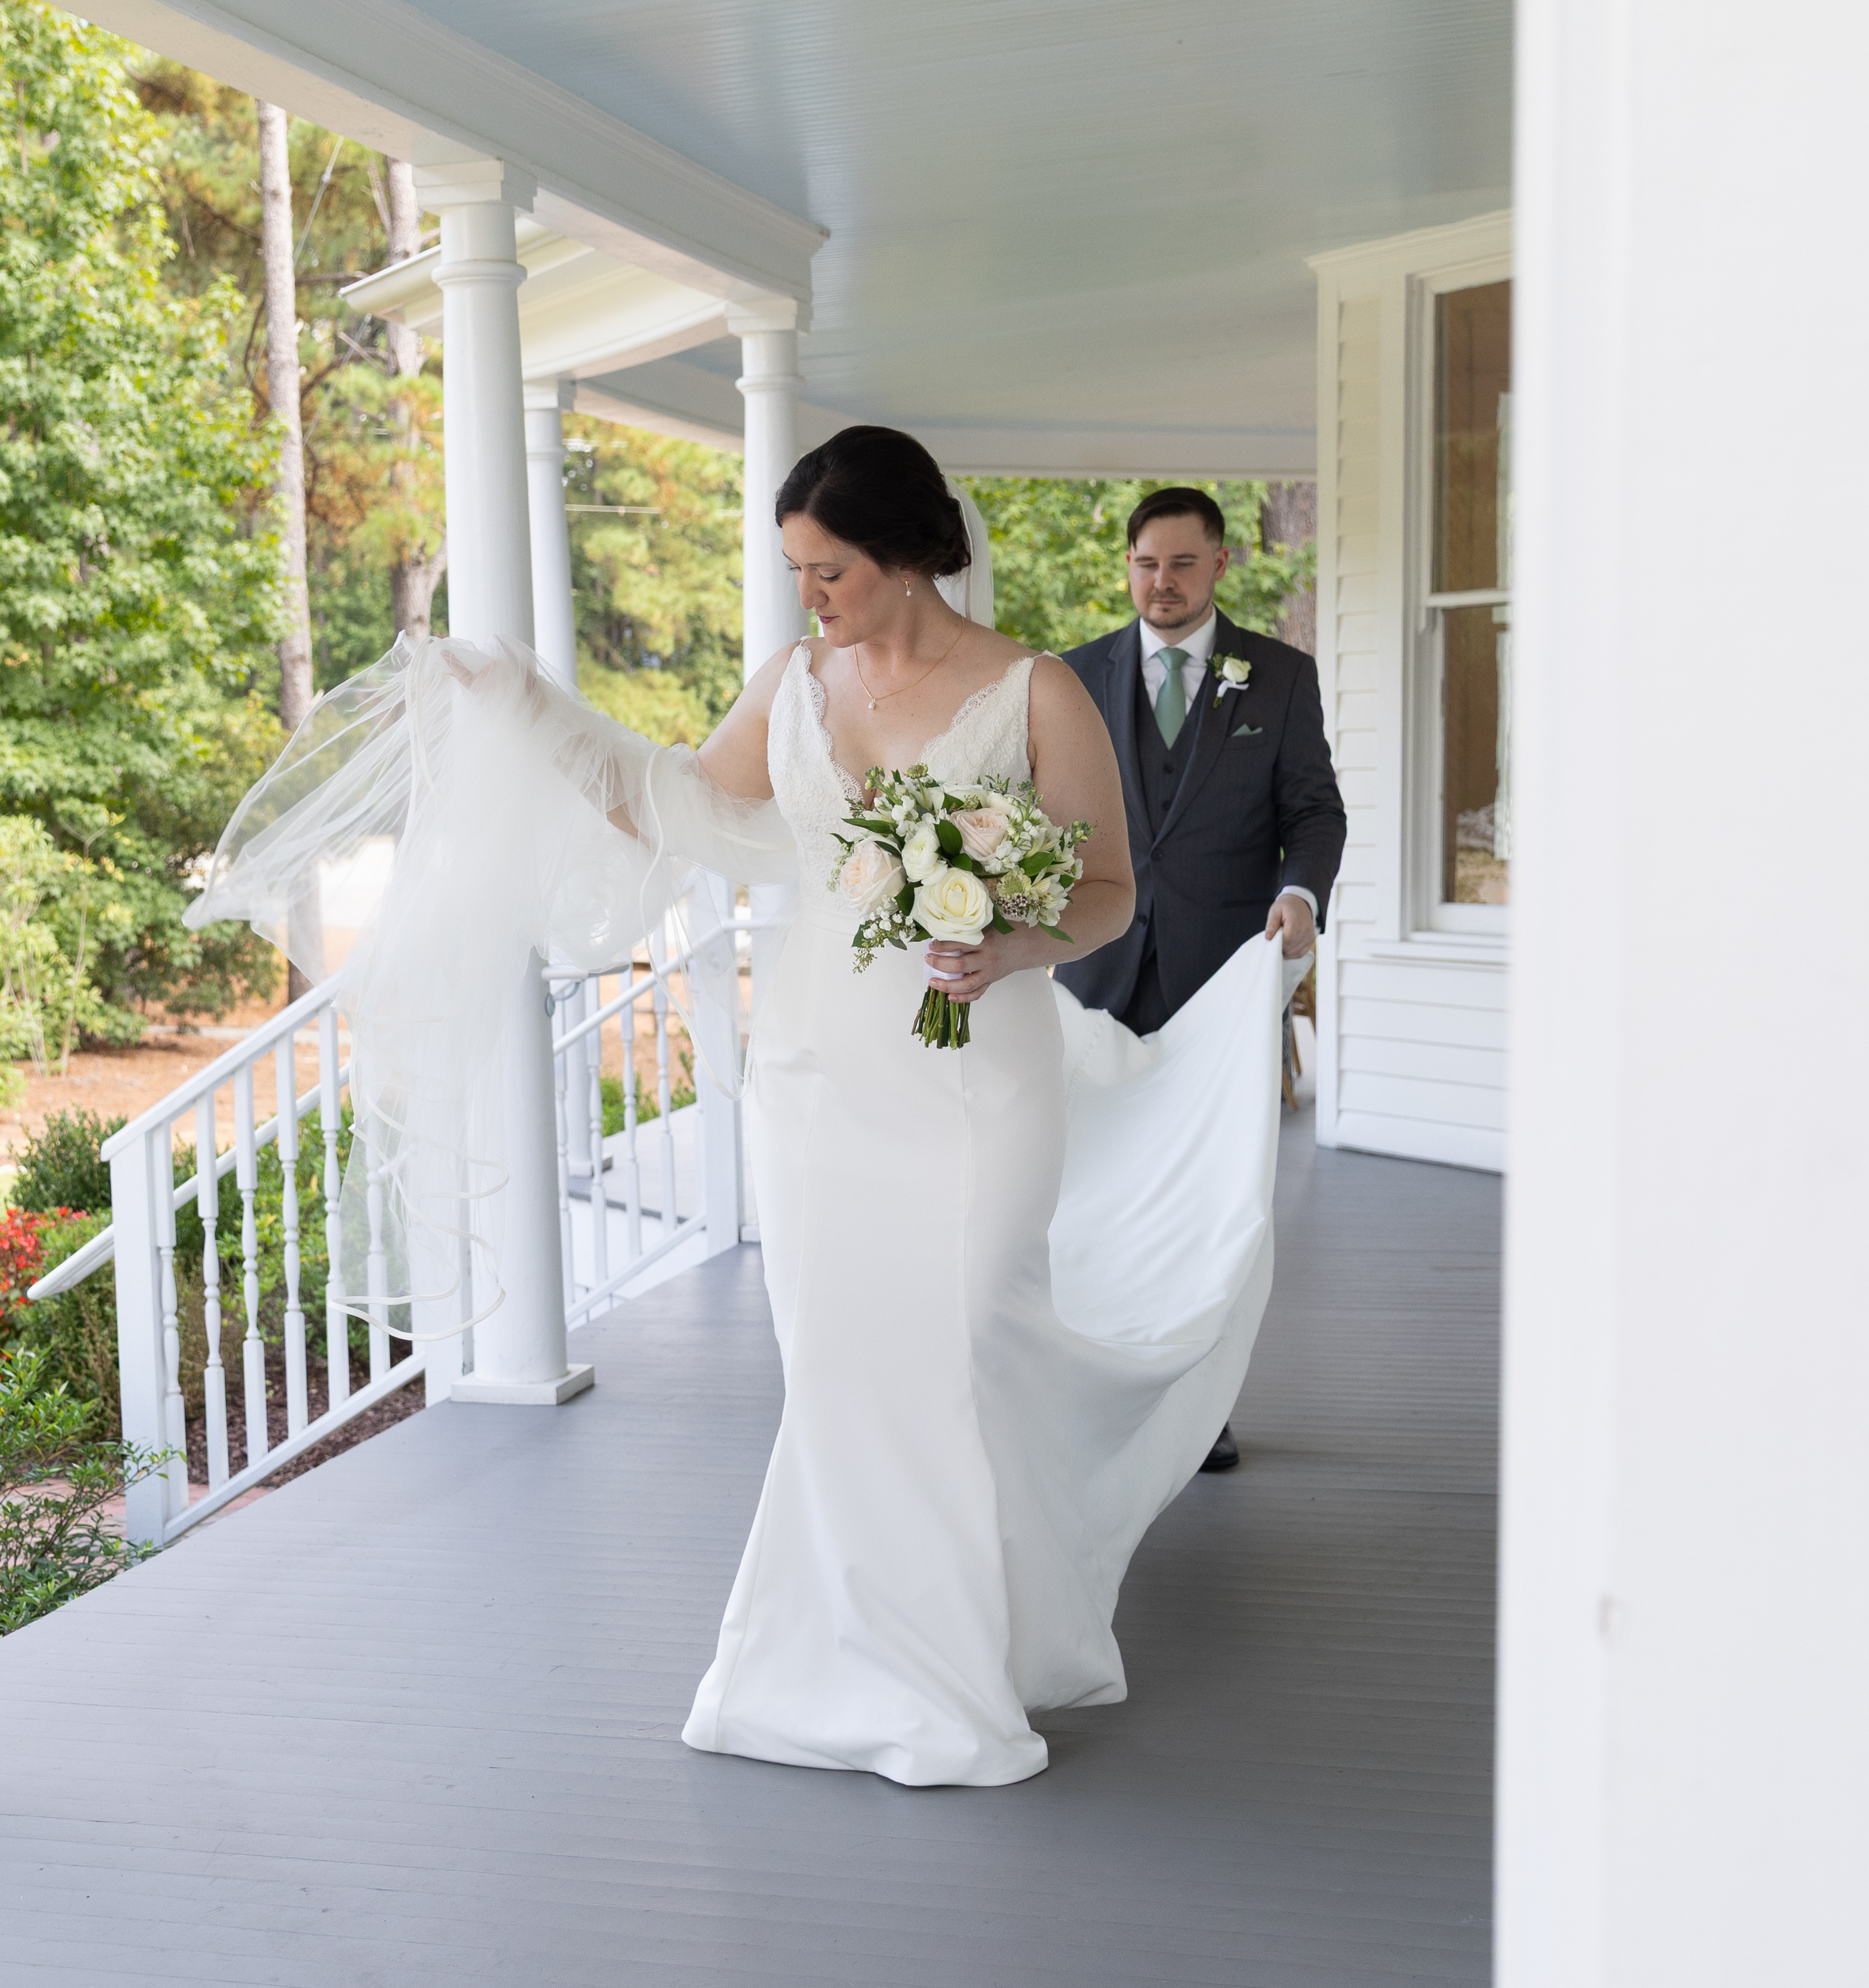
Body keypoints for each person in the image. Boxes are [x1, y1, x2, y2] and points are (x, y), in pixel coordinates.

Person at [193, 425, 1293, 1790]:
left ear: (903, 558)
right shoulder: (790, 682)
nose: (807, 596)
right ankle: (848, 1664)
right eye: (794, 570)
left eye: (826, 569)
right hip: (824, 1071)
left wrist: (1007, 939)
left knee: (962, 1338)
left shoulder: (1034, 694)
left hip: (978, 1070)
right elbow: (680, 807)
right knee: (844, 1365)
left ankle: (990, 1640)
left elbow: (1109, 889)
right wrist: (524, 707)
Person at [1053, 486, 1346, 1469]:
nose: (1162, 583)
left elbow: (1315, 813)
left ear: (1221, 565)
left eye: (1182, 564)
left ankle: (1200, 1410)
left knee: (1209, 1205)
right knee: (1091, 1190)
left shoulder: (1280, 677)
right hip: (1090, 980)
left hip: (1221, 988)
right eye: (1146, 563)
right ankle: (1087, 1389)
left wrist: (1301, 895)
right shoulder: (1072, 676)